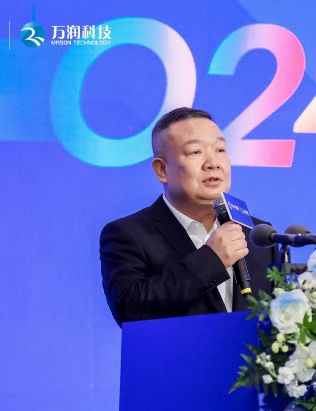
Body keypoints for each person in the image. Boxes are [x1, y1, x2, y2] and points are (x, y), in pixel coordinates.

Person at [100, 107, 278, 326]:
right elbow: (129, 311)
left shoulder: (258, 234)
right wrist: (211, 259)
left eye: (220, 149)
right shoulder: (129, 234)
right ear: (162, 170)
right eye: (195, 152)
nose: (213, 163)